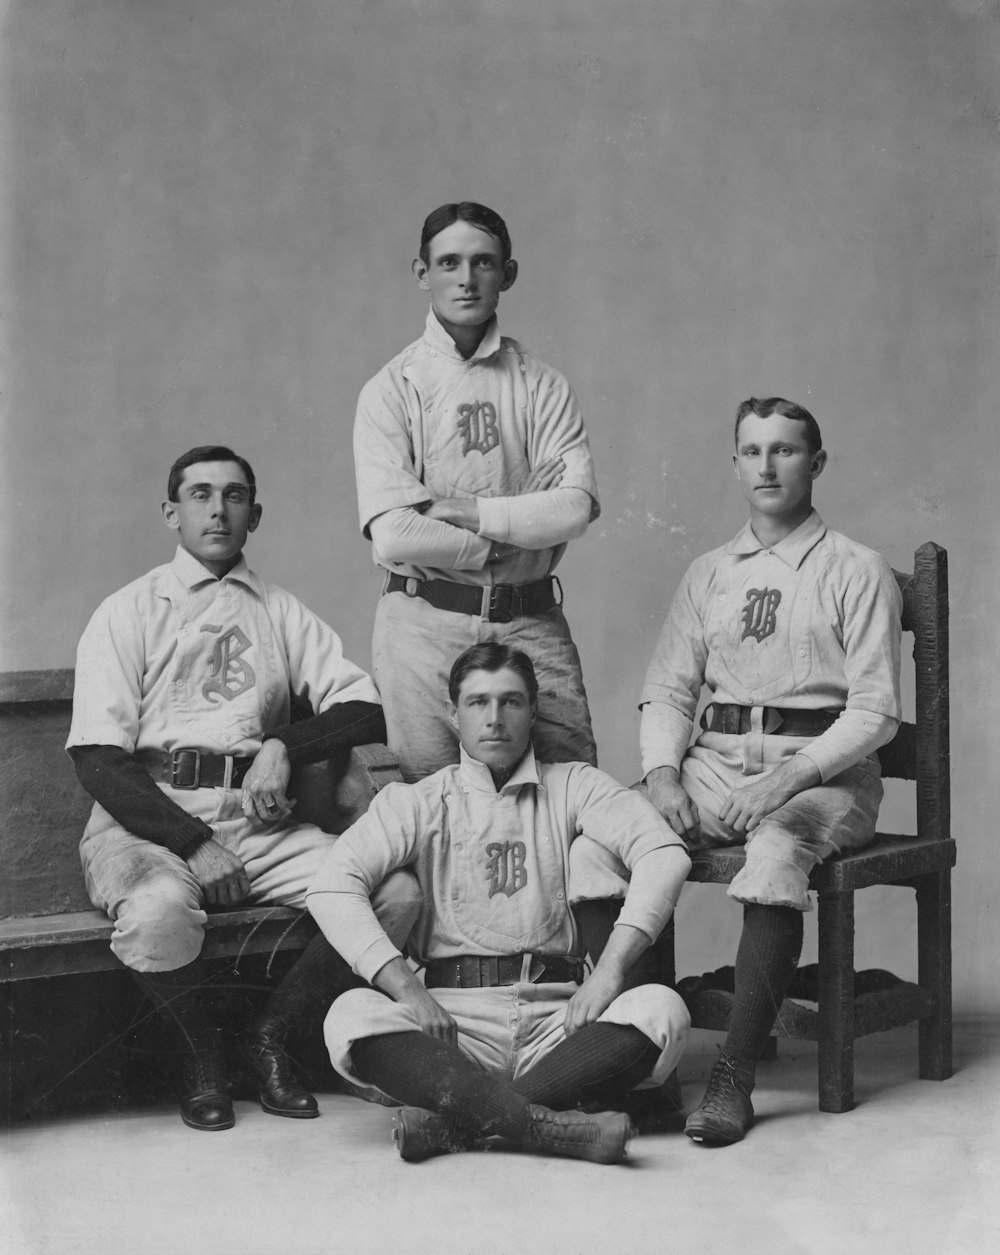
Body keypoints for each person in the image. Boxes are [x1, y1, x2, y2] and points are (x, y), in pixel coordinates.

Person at [66, 445, 420, 1131]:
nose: (217, 509)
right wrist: (194, 842)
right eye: (199, 494)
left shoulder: (279, 610)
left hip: (257, 824)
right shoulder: (131, 609)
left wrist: (286, 745)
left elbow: (366, 707)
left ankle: (271, 1037)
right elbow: (98, 759)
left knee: (394, 891)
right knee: (158, 914)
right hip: (149, 825)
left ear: (254, 514)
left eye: (233, 495)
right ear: (171, 512)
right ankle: (204, 1054)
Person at [305, 642, 692, 1165]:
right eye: (477, 703)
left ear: (532, 710)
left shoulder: (573, 785)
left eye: (510, 702)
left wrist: (609, 973)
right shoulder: (418, 801)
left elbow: (665, 853)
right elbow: (331, 885)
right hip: (453, 1025)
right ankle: (546, 1127)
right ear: (453, 715)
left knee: (662, 1009)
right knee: (349, 1017)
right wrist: (406, 990)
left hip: (561, 1019)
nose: (494, 719)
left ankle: (462, 1125)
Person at [639, 396, 902, 1146]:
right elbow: (668, 688)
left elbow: (877, 709)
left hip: (823, 776)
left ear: (816, 463)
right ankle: (636, 1067)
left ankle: (733, 1075)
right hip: (714, 766)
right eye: (752, 450)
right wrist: (661, 774)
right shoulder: (708, 572)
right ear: (734, 464)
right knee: (609, 833)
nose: (767, 465)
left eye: (785, 450)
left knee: (776, 847)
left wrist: (788, 781)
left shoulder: (855, 568)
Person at [353, 201, 600, 782]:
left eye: (483, 262)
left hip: (530, 616)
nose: (466, 279)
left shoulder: (541, 384)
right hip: (422, 625)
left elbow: (573, 509)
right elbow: (393, 530)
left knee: (573, 798)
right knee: (433, 808)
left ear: (507, 274)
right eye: (449, 263)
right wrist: (509, 530)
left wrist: (452, 510)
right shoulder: (392, 389)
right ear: (422, 274)